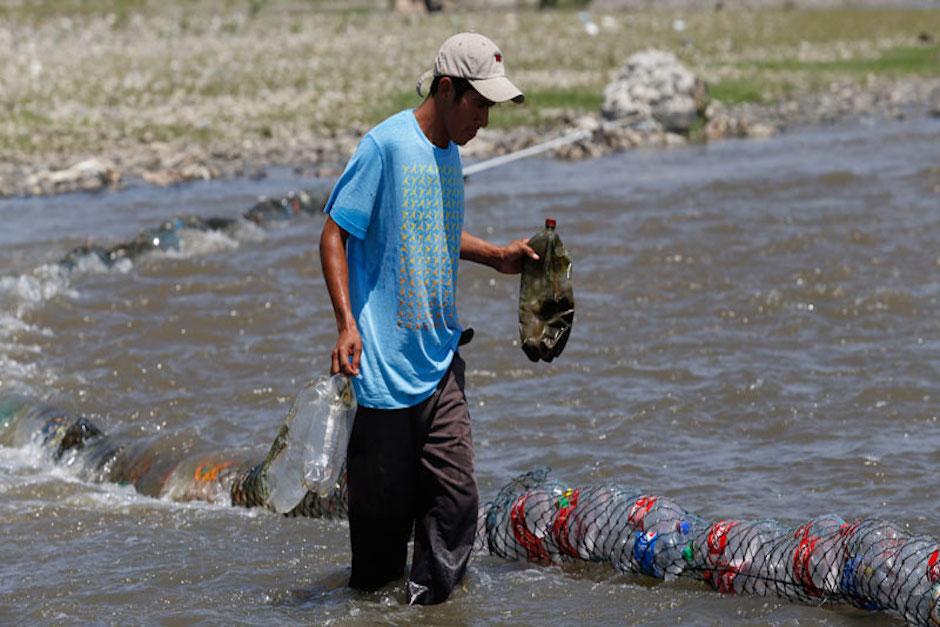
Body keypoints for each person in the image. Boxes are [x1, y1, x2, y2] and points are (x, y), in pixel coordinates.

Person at [319, 32, 537, 605]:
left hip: (439, 360)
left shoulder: (449, 153)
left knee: (457, 503)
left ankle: (429, 613)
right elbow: (335, 233)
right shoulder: (385, 146)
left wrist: (494, 256)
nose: (485, 119)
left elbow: (430, 229)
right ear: (446, 89)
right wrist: (347, 325)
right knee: (377, 556)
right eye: (480, 103)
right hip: (385, 373)